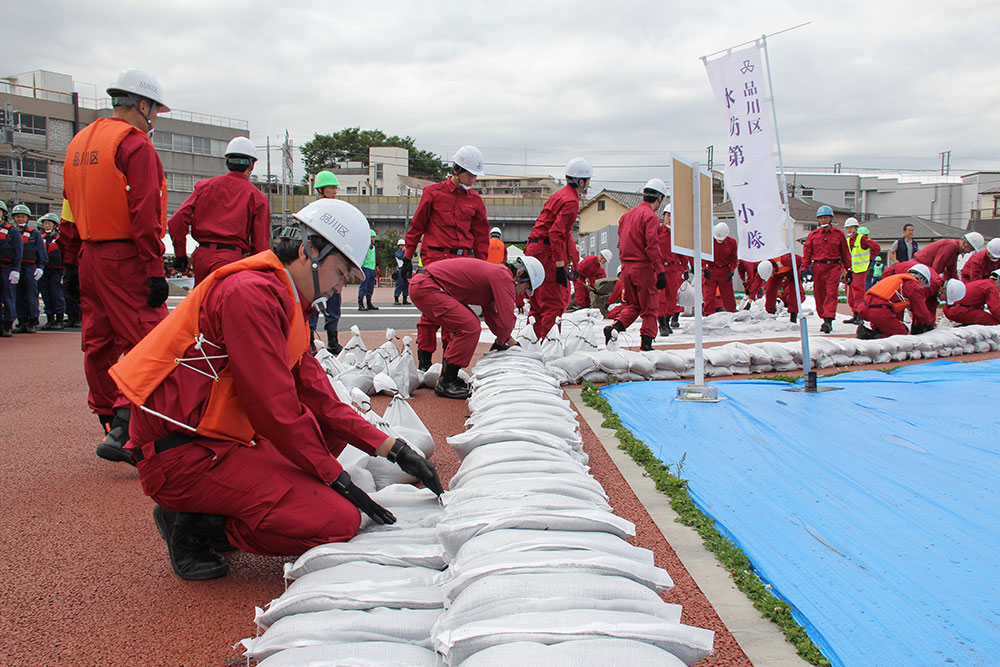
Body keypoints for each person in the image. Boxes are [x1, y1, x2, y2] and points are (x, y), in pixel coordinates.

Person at [108, 199, 443, 580]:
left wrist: (393, 449)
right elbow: (274, 408)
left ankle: (226, 504)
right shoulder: (250, 294)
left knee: (326, 431)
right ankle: (195, 525)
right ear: (310, 250)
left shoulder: (287, 298)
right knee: (338, 519)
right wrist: (336, 478)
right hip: (184, 454)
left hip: (221, 438)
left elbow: (320, 397)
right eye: (340, 273)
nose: (338, 287)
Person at [58, 68, 170, 464]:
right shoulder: (135, 145)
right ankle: (126, 423)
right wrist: (154, 269)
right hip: (124, 258)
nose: (154, 119)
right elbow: (144, 214)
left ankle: (108, 418)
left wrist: (70, 262)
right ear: (143, 105)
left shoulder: (79, 144)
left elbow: (69, 212)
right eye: (154, 110)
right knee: (152, 340)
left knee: (97, 342)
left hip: (88, 255)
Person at [401, 146, 489, 369]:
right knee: (431, 314)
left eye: (475, 176)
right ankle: (424, 364)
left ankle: (449, 367)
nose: (472, 180)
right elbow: (417, 226)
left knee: (456, 313)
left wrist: (482, 267)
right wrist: (407, 257)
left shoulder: (476, 201)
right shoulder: (433, 192)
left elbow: (481, 237)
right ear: (456, 170)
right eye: (469, 174)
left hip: (462, 263)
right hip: (435, 260)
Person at [409, 255, 544, 399]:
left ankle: (448, 376)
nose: (523, 293)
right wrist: (500, 342)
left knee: (469, 323)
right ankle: (447, 381)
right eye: (526, 287)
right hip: (427, 286)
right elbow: (507, 319)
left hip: (426, 284)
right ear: (520, 273)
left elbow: (493, 317)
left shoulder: (497, 274)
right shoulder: (503, 277)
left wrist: (508, 342)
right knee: (470, 327)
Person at [167, 136, 270, 285]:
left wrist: (180, 255)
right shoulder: (257, 197)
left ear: (227, 162)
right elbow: (260, 245)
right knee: (225, 304)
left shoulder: (204, 187)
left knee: (200, 304)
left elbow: (176, 221)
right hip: (231, 258)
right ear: (251, 166)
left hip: (202, 256)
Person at [525, 157, 591, 340]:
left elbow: (564, 233)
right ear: (581, 181)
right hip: (546, 252)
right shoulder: (571, 201)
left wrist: (573, 263)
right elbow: (556, 233)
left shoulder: (561, 195)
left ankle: (531, 344)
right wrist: (561, 265)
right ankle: (548, 349)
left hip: (535, 249)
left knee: (538, 304)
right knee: (553, 304)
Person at [605, 179, 666, 352]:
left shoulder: (626, 216)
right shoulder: (650, 217)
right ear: (660, 197)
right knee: (650, 307)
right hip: (643, 268)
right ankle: (646, 344)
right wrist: (660, 271)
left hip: (626, 268)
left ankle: (614, 328)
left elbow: (621, 242)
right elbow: (652, 246)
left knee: (633, 305)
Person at [856, 264, 946, 339]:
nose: (922, 286)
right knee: (902, 334)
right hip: (878, 311)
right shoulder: (914, 286)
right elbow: (920, 310)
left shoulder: (898, 279)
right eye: (924, 284)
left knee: (885, 329)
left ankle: (874, 333)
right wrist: (928, 323)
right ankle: (869, 335)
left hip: (865, 307)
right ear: (922, 279)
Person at [307, 171, 344, 352]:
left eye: (336, 187)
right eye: (331, 187)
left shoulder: (339, 210)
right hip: (316, 262)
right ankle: (309, 340)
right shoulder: (311, 210)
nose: (335, 191)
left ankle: (333, 340)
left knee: (335, 301)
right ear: (320, 189)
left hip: (334, 262)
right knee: (313, 300)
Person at [801, 205, 850, 333]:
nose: (824, 220)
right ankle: (824, 317)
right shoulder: (813, 235)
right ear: (818, 220)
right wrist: (804, 268)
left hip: (834, 266)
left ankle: (829, 319)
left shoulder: (839, 234)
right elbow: (807, 253)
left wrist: (848, 270)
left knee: (831, 293)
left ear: (831, 218)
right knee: (819, 294)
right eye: (821, 218)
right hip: (817, 267)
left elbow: (845, 253)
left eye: (826, 217)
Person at [11, 204, 48, 333]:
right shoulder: (12, 232)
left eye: (23, 217)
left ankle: (32, 321)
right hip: (16, 268)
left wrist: (41, 267)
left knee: (31, 295)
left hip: (30, 267)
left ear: (27, 218)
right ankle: (21, 320)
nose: (20, 219)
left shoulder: (34, 233)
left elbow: (41, 251)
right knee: (18, 295)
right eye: (17, 217)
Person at [656, 203, 688, 335]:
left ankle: (668, 321)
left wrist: (686, 269)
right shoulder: (657, 231)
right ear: (663, 216)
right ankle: (662, 324)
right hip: (659, 269)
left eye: (673, 216)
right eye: (668, 215)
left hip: (674, 270)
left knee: (671, 299)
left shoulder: (677, 234)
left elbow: (682, 253)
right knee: (660, 298)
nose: (670, 218)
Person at [898, 233, 983, 282]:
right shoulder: (951, 246)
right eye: (970, 249)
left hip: (922, 270)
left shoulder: (955, 251)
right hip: (917, 268)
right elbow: (936, 267)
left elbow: (952, 272)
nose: (969, 252)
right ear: (966, 243)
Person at [842, 220, 881, 324]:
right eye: (847, 228)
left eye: (851, 227)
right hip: (850, 271)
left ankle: (860, 315)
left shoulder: (862, 239)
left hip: (860, 270)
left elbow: (876, 247)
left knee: (858, 294)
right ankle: (855, 314)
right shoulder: (847, 240)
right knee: (850, 294)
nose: (849, 230)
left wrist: (870, 260)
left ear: (856, 228)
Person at [702, 222, 739, 313]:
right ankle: (708, 314)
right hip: (711, 270)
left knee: (728, 296)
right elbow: (703, 256)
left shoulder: (732, 243)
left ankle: (732, 313)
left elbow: (734, 259)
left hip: (725, 271)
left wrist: (731, 270)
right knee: (708, 295)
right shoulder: (709, 242)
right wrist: (705, 269)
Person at [38, 213, 66, 330]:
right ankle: (50, 319)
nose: (47, 226)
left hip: (57, 271)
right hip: (45, 271)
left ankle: (59, 319)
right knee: (46, 295)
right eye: (45, 224)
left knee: (57, 295)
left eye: (49, 223)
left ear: (55, 225)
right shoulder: (41, 238)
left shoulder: (60, 238)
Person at [0, 201, 24, 337]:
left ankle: (8, 324)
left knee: (8, 297)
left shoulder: (11, 230)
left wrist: (16, 269)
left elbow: (18, 250)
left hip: (7, 268)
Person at [761, 253, 804, 322]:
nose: (770, 276)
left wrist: (801, 270)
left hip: (791, 269)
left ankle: (793, 315)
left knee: (794, 291)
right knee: (770, 289)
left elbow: (799, 259)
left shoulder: (786, 260)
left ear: (772, 269)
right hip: (778, 270)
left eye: (770, 274)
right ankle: (770, 312)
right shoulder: (765, 266)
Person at [357, 229, 378, 311]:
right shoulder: (364, 247)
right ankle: (360, 303)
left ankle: (369, 302)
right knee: (364, 286)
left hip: (372, 268)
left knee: (370, 287)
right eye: (372, 237)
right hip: (365, 268)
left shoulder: (373, 247)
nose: (374, 239)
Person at [393, 238, 409, 304]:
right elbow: (401, 256)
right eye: (401, 245)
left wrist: (410, 249)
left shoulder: (406, 251)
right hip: (401, 269)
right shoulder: (398, 253)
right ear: (399, 246)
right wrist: (405, 251)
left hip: (407, 270)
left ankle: (405, 299)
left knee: (406, 285)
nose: (402, 246)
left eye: (403, 245)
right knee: (399, 284)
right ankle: (396, 298)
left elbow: (415, 254)